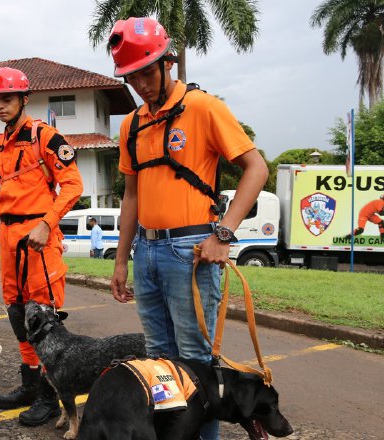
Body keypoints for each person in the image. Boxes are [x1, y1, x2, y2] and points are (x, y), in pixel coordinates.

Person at [107, 17, 269, 440]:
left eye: (146, 71)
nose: (140, 83)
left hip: (191, 249)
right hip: (147, 250)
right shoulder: (132, 124)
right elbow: (131, 196)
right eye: (131, 76)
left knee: (196, 363)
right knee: (160, 365)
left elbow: (256, 168)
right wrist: (122, 260)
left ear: (169, 64)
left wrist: (224, 234)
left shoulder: (203, 108)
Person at [0, 67, 83, 427]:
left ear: (24, 99)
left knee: (44, 319)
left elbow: (73, 185)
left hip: (39, 236)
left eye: (7, 99)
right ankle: (29, 384)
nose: (0, 105)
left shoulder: (46, 136)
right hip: (9, 235)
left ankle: (50, 398)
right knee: (16, 313)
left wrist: (47, 222)